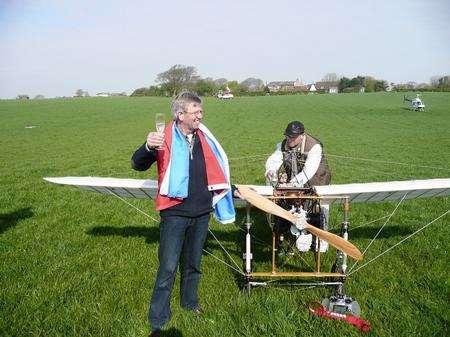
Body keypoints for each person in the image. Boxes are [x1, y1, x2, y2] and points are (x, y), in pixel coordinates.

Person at [131, 91, 236, 337]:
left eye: (201, 111)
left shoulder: (205, 137)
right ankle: (158, 318)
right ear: (180, 115)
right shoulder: (163, 138)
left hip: (201, 212)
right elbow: (136, 163)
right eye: (195, 112)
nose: (200, 116)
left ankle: (189, 303)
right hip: (174, 212)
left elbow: (217, 165)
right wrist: (147, 146)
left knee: (193, 264)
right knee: (168, 267)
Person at [265, 121, 331, 252]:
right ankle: (299, 233)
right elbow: (274, 159)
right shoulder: (283, 145)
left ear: (302, 135)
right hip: (296, 185)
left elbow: (308, 171)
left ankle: (322, 238)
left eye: (292, 137)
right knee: (298, 209)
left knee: (322, 210)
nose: (289, 139)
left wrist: (291, 184)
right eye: (287, 136)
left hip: (318, 182)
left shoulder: (314, 147)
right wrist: (270, 170)